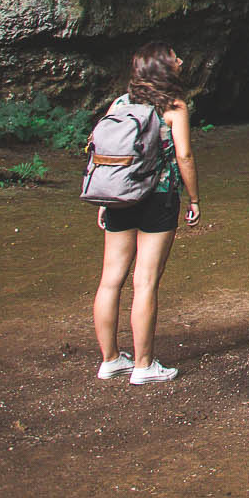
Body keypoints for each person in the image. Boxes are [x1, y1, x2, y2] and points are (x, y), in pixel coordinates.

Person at [91, 42, 202, 384]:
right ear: (162, 68)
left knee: (111, 279)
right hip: (158, 198)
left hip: (119, 197)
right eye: (174, 57)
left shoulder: (120, 104)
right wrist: (195, 199)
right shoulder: (174, 106)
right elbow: (183, 156)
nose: (181, 60)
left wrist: (104, 200)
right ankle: (143, 365)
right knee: (146, 282)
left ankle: (110, 360)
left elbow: (106, 153)